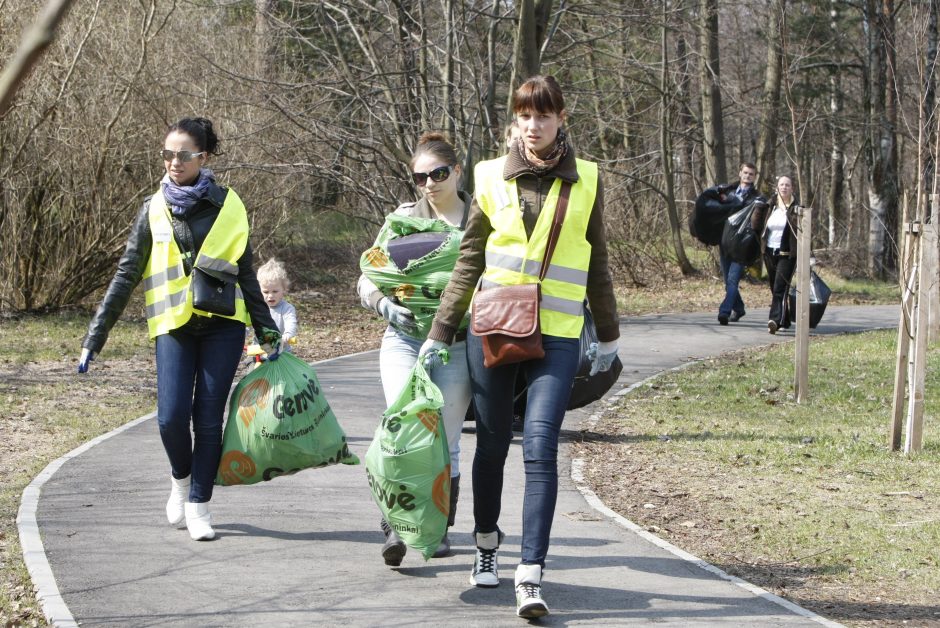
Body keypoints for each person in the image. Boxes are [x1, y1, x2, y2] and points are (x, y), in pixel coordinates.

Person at [419, 76, 620, 618]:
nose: (535, 125)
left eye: (544, 115)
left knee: (539, 446)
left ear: (561, 119)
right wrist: (438, 334)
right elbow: (468, 261)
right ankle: (487, 547)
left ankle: (530, 574)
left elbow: (597, 260)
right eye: (526, 116)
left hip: (556, 333)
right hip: (496, 327)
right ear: (514, 122)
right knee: (489, 444)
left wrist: (608, 333)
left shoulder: (588, 179)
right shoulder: (486, 176)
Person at [77, 117, 280, 541]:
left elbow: (246, 272)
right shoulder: (152, 208)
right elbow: (126, 272)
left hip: (223, 324)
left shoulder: (229, 205)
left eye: (183, 155)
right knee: (170, 417)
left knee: (207, 418)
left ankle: (200, 504)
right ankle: (180, 479)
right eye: (167, 154)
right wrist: (96, 335)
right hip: (172, 323)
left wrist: (267, 331)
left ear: (203, 158)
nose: (173, 162)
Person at [357, 132, 472, 564]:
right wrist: (385, 304)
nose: (429, 183)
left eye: (438, 174)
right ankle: (395, 528)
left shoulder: (478, 220)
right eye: (420, 177)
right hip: (404, 339)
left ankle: (438, 528)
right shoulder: (402, 219)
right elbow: (369, 275)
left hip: (457, 346)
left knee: (445, 441)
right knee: (403, 429)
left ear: (457, 171)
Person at [753, 175, 799, 334]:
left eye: (787, 185)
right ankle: (784, 319)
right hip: (769, 252)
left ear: (792, 188)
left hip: (787, 254)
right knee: (774, 287)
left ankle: (774, 320)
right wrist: (758, 209)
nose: (784, 187)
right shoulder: (770, 205)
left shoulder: (797, 208)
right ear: (777, 188)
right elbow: (756, 227)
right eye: (781, 185)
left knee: (780, 287)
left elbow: (803, 233)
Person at [717, 162, 761, 325]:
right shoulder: (726, 192)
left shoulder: (757, 198)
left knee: (732, 280)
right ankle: (739, 308)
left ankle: (724, 312)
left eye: (751, 174)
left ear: (754, 177)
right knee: (727, 282)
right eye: (745, 173)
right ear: (740, 173)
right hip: (725, 243)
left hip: (742, 246)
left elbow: (758, 224)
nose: (748, 176)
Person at [257, 258, 297, 351]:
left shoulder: (287, 309)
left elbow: (291, 322)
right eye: (266, 292)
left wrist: (288, 334)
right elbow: (247, 324)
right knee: (250, 364)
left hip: (281, 352)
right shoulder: (257, 308)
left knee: (287, 365)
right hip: (259, 352)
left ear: (284, 289)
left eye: (275, 291)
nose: (270, 296)